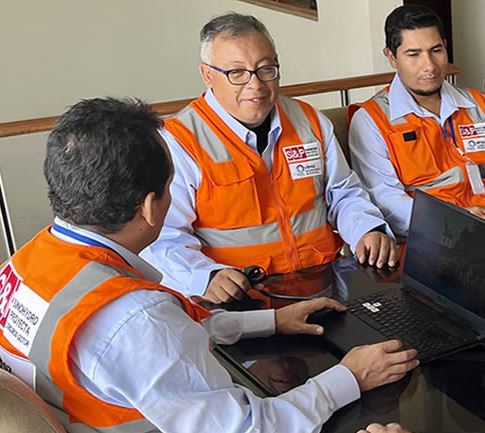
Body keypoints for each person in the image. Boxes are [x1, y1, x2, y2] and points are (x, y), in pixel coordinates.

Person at [0, 98, 419, 433]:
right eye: (171, 188)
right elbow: (249, 427)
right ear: (151, 207)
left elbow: (138, 352)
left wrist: (269, 321)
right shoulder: (137, 319)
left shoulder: (29, 261)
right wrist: (349, 377)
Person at [141, 13, 399, 303]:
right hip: (239, 301)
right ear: (208, 75)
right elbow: (164, 237)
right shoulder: (178, 142)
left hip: (321, 284)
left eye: (266, 69)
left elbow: (343, 191)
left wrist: (367, 229)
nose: (256, 85)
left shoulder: (309, 121)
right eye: (237, 73)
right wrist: (205, 276)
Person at [349, 4, 485, 238]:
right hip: (433, 238)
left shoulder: (477, 103)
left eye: (436, 50)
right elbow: (387, 200)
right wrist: (456, 221)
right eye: (414, 54)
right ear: (391, 57)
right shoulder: (372, 121)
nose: (429, 66)